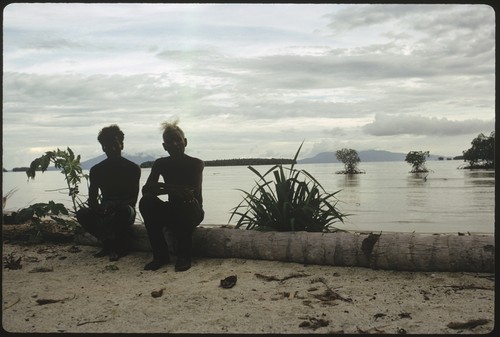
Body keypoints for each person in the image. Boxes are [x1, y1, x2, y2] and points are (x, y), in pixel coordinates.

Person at [139, 120, 204, 272]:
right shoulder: (160, 164)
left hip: (192, 211)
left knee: (184, 200)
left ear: (185, 142)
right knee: (146, 201)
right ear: (164, 146)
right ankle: (160, 255)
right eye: (170, 142)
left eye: (178, 140)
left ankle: (184, 255)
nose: (175, 144)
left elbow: (191, 192)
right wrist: (172, 190)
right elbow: (147, 190)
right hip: (173, 209)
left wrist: (163, 188)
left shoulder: (195, 163)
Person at [76, 125, 141, 261]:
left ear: (121, 145)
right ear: (102, 148)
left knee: (123, 211)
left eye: (115, 145)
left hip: (125, 211)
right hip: (105, 210)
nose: (111, 149)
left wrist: (114, 205)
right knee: (82, 213)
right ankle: (108, 243)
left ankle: (117, 246)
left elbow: (133, 200)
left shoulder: (132, 168)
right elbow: (92, 200)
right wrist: (100, 208)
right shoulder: (97, 170)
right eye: (106, 146)